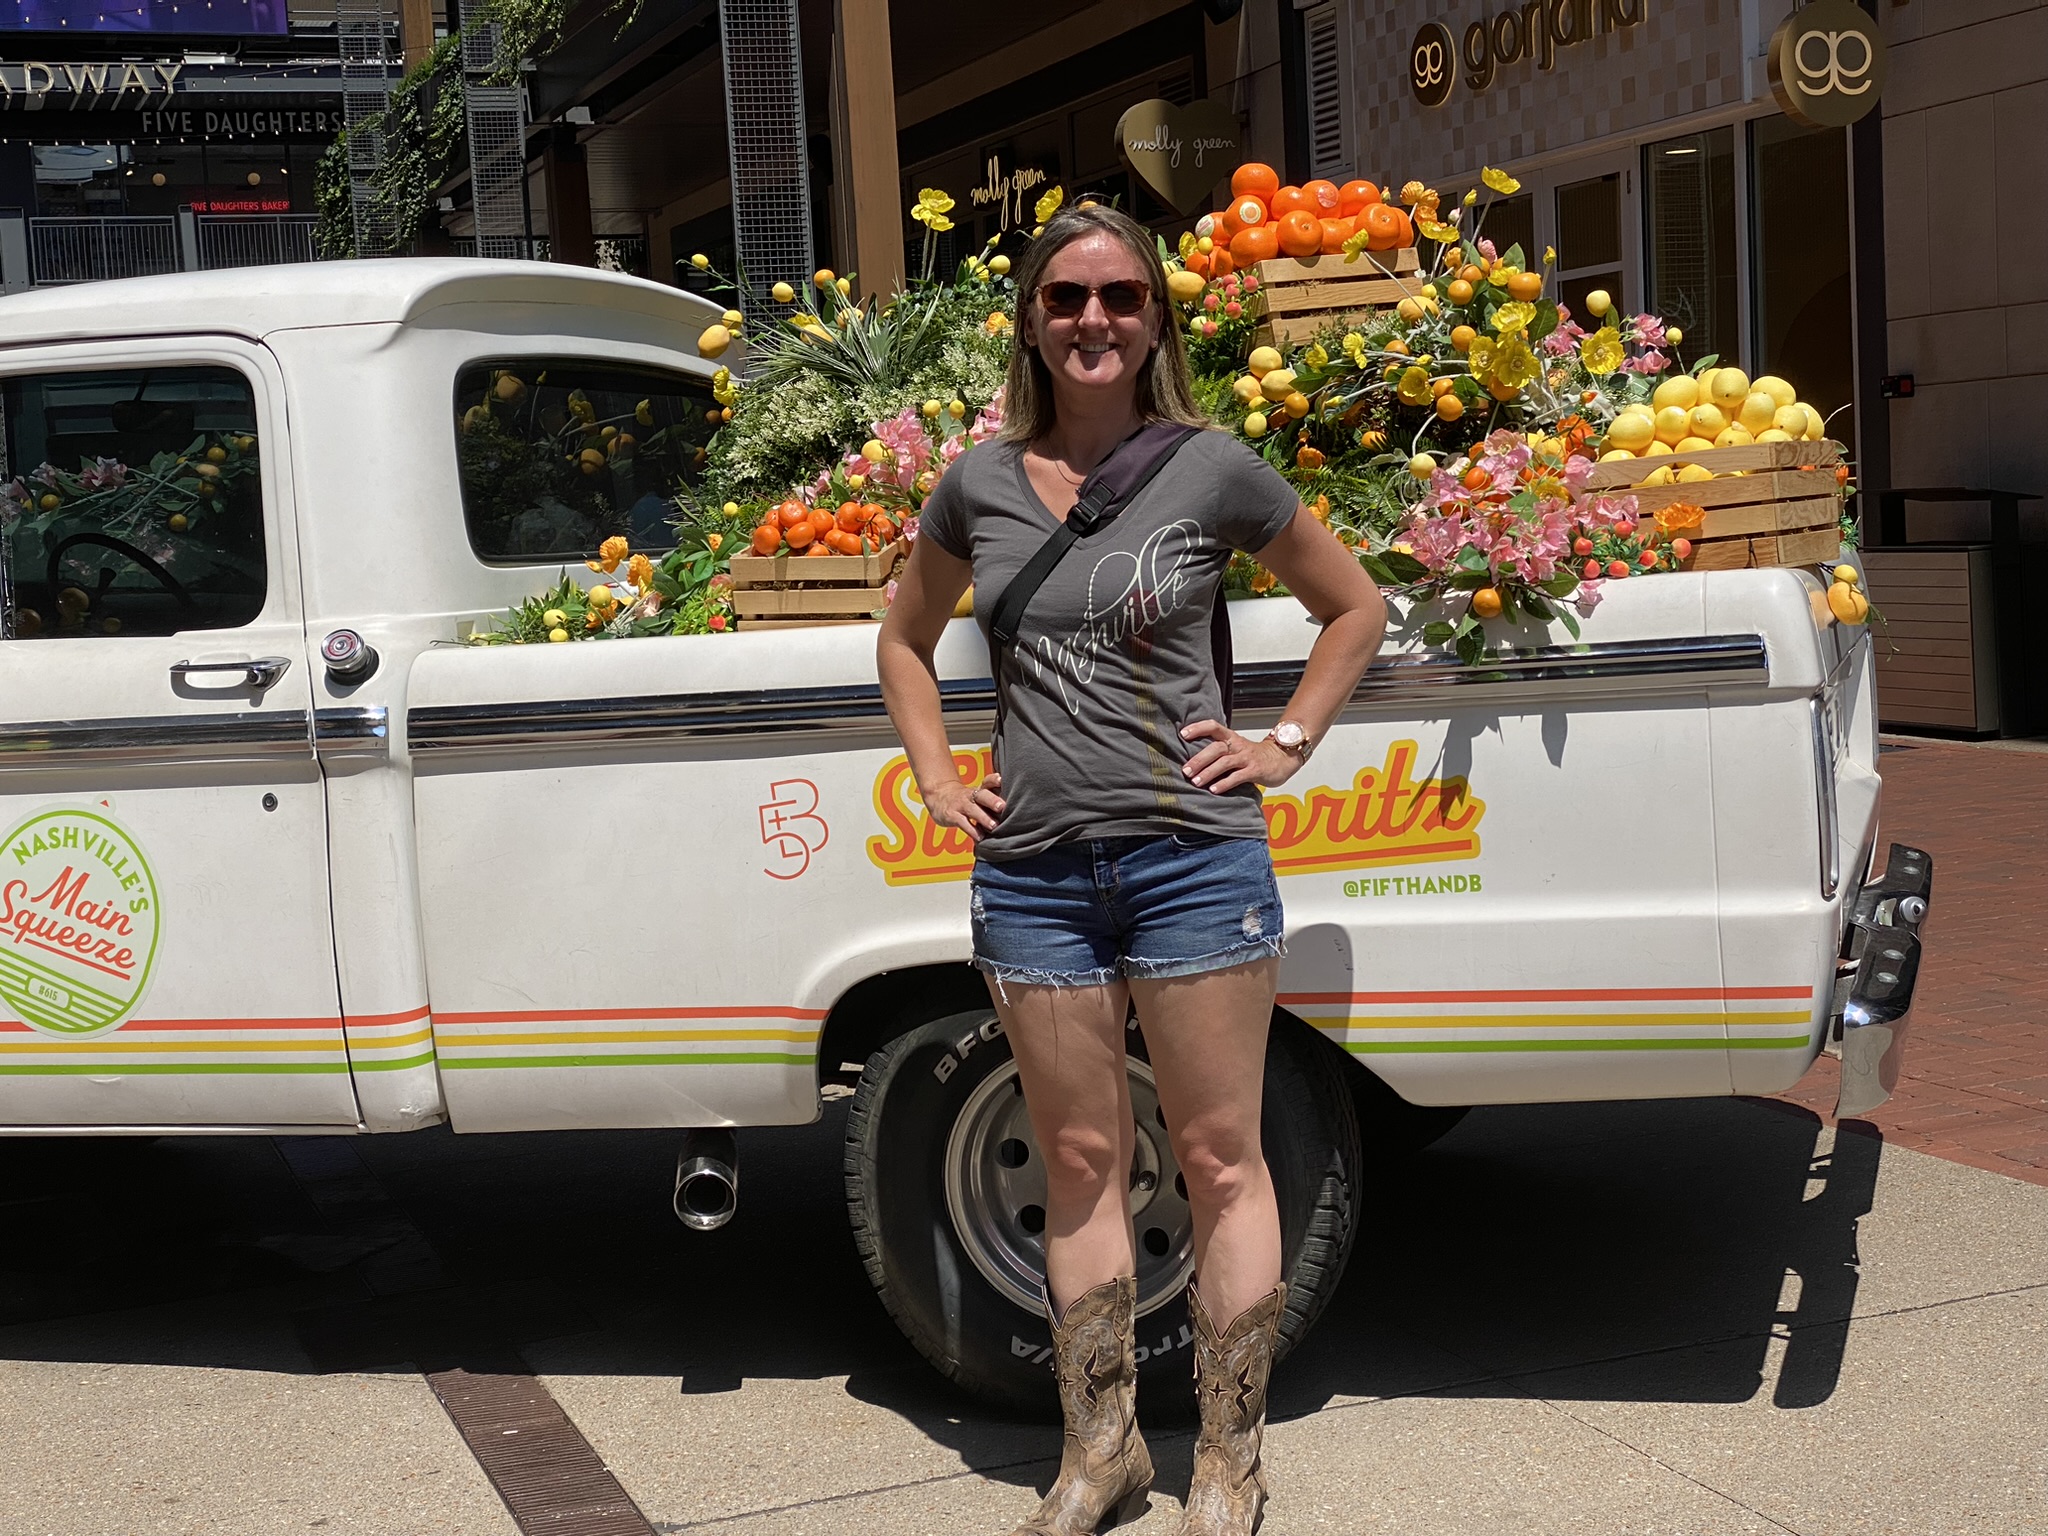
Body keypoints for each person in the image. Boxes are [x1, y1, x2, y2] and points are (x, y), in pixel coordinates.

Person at [877, 203, 1387, 1536]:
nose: (1092, 319)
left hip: (1192, 863)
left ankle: (1228, 1460)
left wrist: (1284, 743)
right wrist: (938, 776)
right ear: (1032, 324)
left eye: (1118, 296)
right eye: (1066, 298)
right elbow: (904, 640)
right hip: (1035, 875)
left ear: (1155, 318)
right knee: (1079, 1157)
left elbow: (1355, 606)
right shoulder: (978, 485)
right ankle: (1102, 1453)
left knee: (1218, 1157)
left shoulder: (1212, 468)